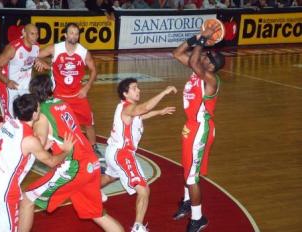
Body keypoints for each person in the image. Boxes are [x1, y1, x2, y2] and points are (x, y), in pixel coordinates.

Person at [18, 74, 124, 232]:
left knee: (27, 199)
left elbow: (38, 144)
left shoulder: (41, 114)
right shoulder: (62, 103)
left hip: (74, 166)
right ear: (51, 89)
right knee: (98, 215)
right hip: (90, 161)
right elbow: (61, 131)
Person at [101, 78, 177, 232]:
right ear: (125, 93)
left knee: (110, 176)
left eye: (138, 87)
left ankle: (89, 191)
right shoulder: (128, 108)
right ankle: (138, 227)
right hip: (122, 154)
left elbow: (141, 115)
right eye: (134, 88)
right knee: (144, 190)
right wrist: (164, 92)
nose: (139, 90)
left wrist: (159, 112)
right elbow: (143, 109)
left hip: (113, 152)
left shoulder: (126, 108)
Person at [0, 94, 74, 232]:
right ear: (35, 114)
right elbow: (52, 162)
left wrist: (41, 148)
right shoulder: (30, 140)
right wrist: (66, 151)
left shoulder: (8, 124)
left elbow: (18, 150)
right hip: (4, 192)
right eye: (38, 108)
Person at [172, 23, 225, 232]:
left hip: (200, 130)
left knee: (192, 177)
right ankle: (187, 202)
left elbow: (194, 59)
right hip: (190, 127)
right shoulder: (198, 71)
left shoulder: (210, 79)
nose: (203, 56)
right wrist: (197, 37)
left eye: (206, 57)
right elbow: (177, 53)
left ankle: (198, 218)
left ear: (210, 65)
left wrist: (203, 39)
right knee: (188, 170)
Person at [37, 22, 103, 157]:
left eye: (76, 33)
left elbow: (94, 70)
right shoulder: (56, 48)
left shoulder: (83, 52)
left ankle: (93, 147)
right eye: (71, 33)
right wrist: (41, 62)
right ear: (65, 35)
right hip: (58, 96)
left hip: (77, 95)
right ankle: (49, 146)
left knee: (89, 122)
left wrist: (87, 86)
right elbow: (35, 55)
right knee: (52, 122)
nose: (74, 36)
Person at [0, 24, 42, 120]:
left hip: (25, 86)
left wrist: (38, 61)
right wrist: (7, 81)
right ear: (24, 33)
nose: (35, 37)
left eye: (37, 34)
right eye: (32, 34)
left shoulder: (36, 46)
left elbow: (31, 57)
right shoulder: (13, 48)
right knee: (10, 118)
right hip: (8, 86)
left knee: (30, 115)